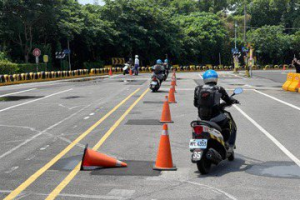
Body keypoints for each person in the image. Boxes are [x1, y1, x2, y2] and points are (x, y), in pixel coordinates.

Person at [193, 70, 238, 146]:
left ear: (205, 79)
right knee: (227, 122)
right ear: (215, 79)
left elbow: (195, 104)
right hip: (215, 117)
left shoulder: (198, 89)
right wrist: (232, 101)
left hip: (201, 118)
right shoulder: (219, 89)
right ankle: (226, 143)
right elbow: (228, 100)